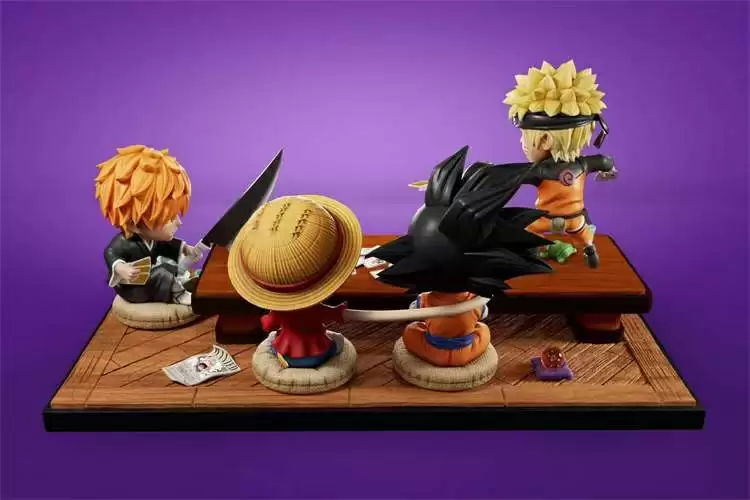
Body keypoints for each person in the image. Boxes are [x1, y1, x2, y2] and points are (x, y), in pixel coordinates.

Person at [369, 146, 553, 367]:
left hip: (432, 348)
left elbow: (414, 311)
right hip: (468, 349)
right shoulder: (473, 301)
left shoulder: (428, 299)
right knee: (483, 330)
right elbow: (482, 315)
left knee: (411, 332)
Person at [500, 60, 618, 268]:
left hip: (545, 220)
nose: (521, 143)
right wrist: (609, 171)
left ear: (546, 140)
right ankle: (590, 251)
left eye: (524, 137)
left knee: (526, 232)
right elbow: (604, 160)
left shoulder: (538, 171)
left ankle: (533, 256)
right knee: (585, 237)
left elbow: (512, 175)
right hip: (575, 220)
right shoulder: (583, 165)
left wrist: (489, 174)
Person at [95, 145, 202, 305]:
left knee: (168, 266)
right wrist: (120, 268)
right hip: (135, 290)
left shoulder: (152, 239)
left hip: (150, 282)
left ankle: (182, 283)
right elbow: (111, 253)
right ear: (134, 225)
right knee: (162, 273)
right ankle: (179, 295)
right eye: (169, 218)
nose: (179, 223)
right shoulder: (122, 243)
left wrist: (185, 248)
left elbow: (167, 245)